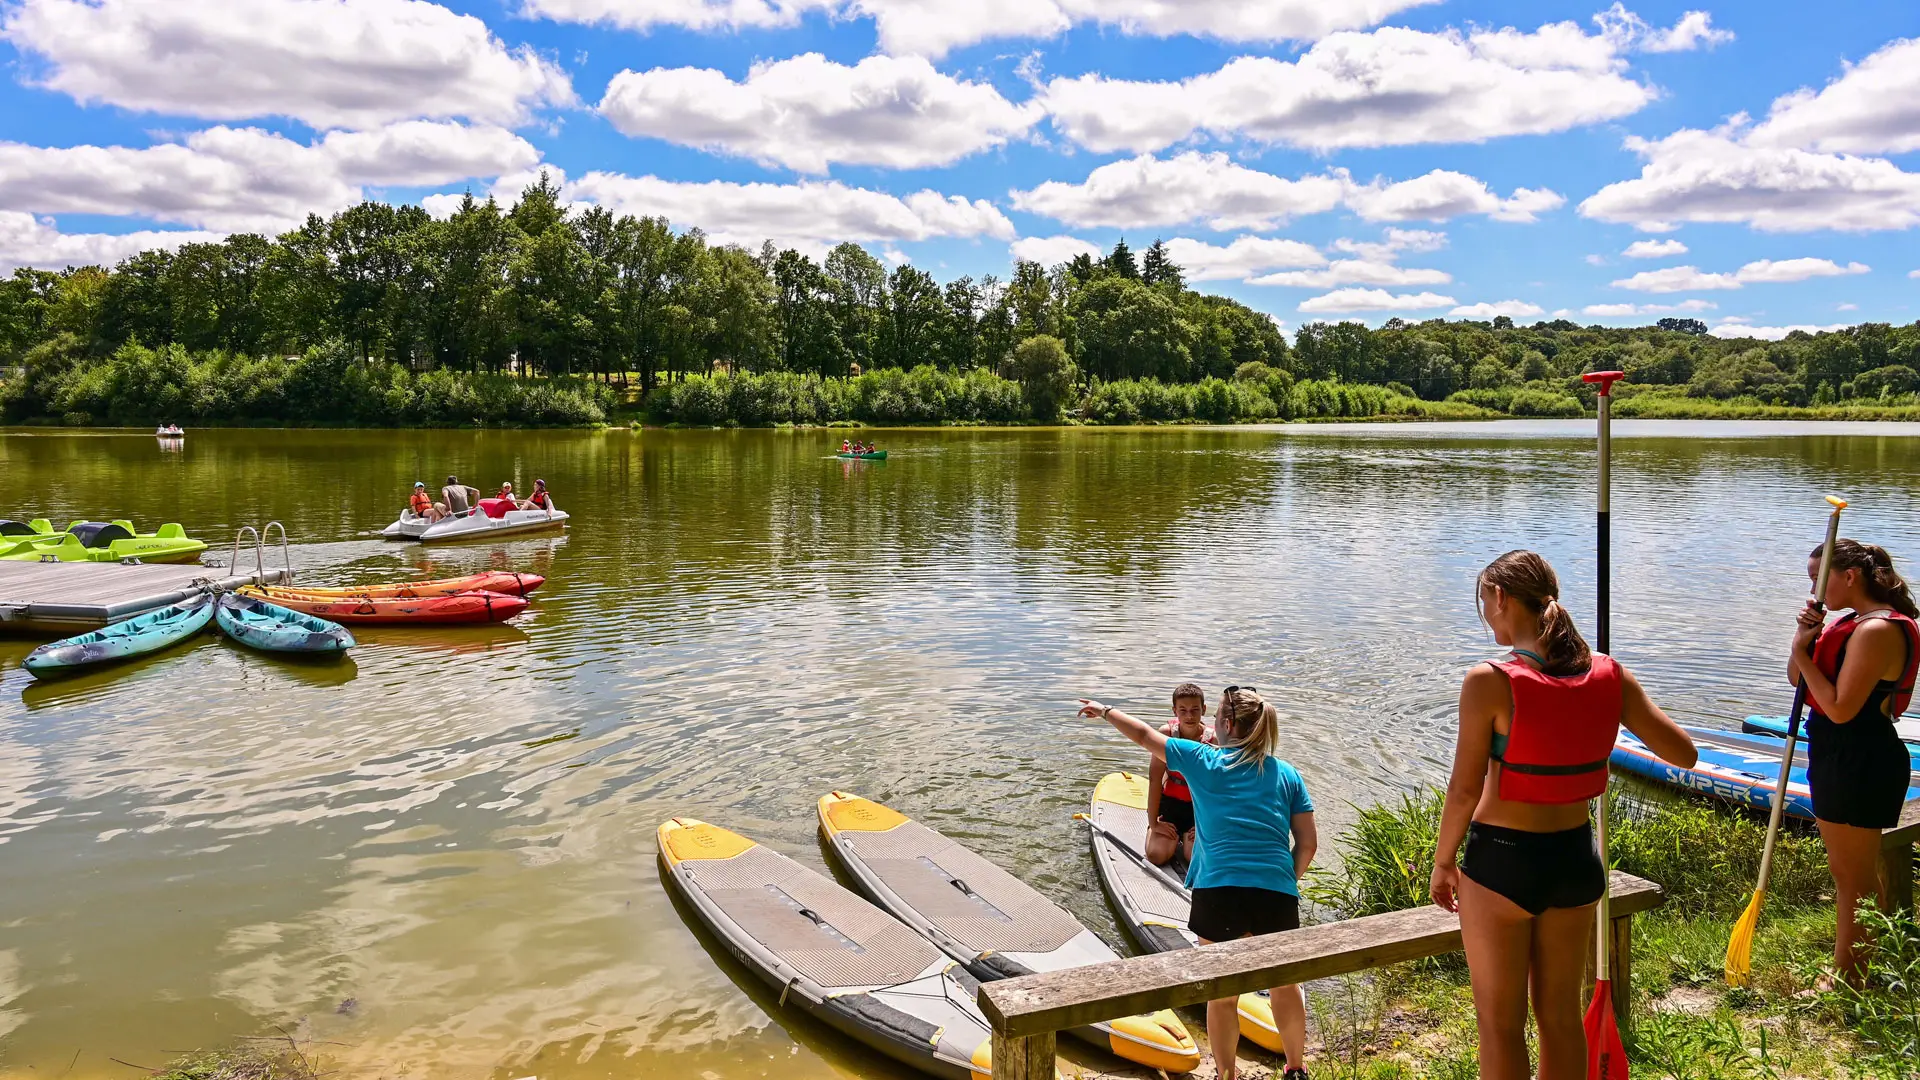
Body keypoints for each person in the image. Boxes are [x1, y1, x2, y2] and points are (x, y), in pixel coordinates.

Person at [1430, 551, 1696, 1080]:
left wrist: (1443, 862)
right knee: (1560, 1018)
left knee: (1500, 1027)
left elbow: (1463, 790)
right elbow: (1684, 754)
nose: (1486, 615)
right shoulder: (1609, 674)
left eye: (1484, 602)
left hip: (1501, 864)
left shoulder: (1488, 680)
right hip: (1575, 862)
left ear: (1501, 598)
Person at [1081, 687, 1314, 1080]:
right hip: (1276, 892)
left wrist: (1105, 711)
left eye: (1217, 715)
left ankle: (1226, 1075)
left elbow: (1143, 735)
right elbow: (1307, 845)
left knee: (1222, 994)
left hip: (1218, 891)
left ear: (1225, 725)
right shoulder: (1287, 773)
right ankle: (1294, 1069)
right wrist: (1282, 882)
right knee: (1284, 985)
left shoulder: (1203, 759)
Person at [1789, 539, 1920, 987]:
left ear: (1849, 576)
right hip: (1837, 753)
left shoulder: (1877, 630)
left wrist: (1803, 653)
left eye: (1818, 579)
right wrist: (1804, 641)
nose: (1813, 590)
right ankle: (1859, 967)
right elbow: (1798, 680)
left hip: (1860, 757)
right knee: (1848, 872)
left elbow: (1842, 709)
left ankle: (1849, 978)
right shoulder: (1851, 624)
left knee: (1853, 876)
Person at [1145, 682, 1214, 866]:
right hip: (1171, 805)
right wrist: (1154, 823)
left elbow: (1219, 788)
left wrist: (1207, 825)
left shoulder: (1213, 740)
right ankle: (1162, 833)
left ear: (1204, 709)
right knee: (1156, 855)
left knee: (1195, 859)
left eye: (1195, 710)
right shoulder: (1166, 734)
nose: (1189, 716)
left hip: (1198, 810)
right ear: (1174, 710)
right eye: (1183, 710)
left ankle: (1186, 838)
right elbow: (1154, 779)